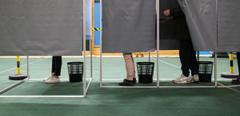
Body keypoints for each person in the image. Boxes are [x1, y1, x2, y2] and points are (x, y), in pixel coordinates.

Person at [162, 0, 199, 84]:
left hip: (185, 28)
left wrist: (171, 12)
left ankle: (185, 75)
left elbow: (185, 10)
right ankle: (195, 74)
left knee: (184, 52)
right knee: (191, 52)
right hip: (192, 27)